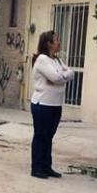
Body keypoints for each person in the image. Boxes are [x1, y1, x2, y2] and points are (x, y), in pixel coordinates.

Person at [30, 30, 74, 179]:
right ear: (49, 43)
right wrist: (61, 77)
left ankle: (46, 166)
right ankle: (37, 167)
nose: (59, 42)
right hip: (42, 104)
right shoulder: (42, 59)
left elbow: (70, 73)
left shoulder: (57, 60)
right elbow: (56, 77)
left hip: (55, 104)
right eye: (56, 40)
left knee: (49, 136)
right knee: (41, 136)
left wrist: (62, 77)